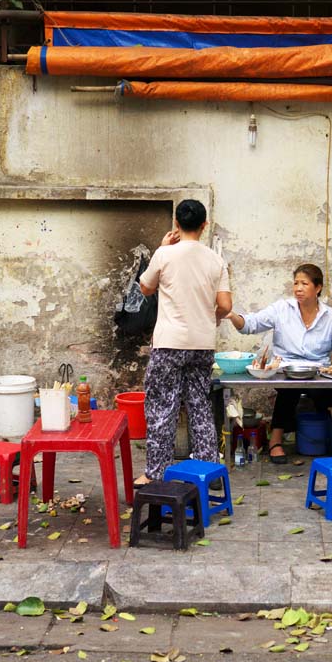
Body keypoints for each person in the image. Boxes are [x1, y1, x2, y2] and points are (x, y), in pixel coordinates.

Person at [132, 199, 232, 487]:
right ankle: (208, 471)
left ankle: (155, 473)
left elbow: (146, 287)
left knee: (163, 408)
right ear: (205, 225)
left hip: (169, 344)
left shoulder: (165, 254)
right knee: (200, 405)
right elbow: (225, 304)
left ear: (176, 224)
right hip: (202, 344)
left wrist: (162, 248)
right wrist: (210, 317)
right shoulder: (216, 260)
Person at [223, 264, 332, 464]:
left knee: (328, 392)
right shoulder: (282, 309)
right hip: (286, 369)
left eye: (304, 283)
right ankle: (275, 441)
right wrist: (233, 317)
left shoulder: (331, 318)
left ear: (317, 288)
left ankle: (329, 439)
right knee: (288, 389)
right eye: (296, 283)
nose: (298, 288)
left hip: (318, 370)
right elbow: (251, 324)